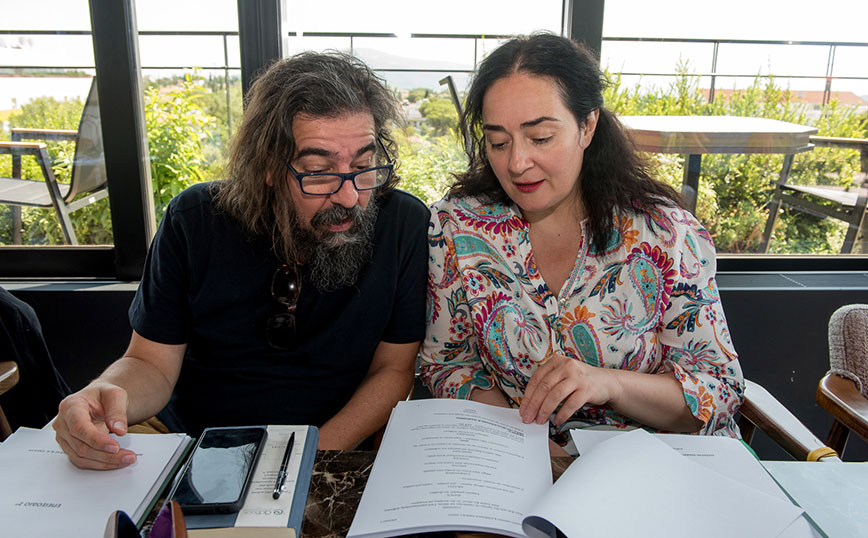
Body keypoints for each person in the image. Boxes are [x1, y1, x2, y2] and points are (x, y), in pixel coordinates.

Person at [54, 51, 429, 469]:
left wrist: (303, 460)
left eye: (364, 164)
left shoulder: (403, 224)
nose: (349, 196)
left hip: (329, 446)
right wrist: (106, 395)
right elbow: (150, 364)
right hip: (190, 441)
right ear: (268, 165)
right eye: (319, 171)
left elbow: (393, 371)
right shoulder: (194, 221)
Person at [420, 33, 744, 455]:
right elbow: (449, 365)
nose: (517, 162)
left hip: (655, 462)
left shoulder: (666, 233)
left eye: (540, 138)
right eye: (499, 142)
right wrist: (526, 444)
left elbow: (718, 390)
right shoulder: (457, 226)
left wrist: (610, 384)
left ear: (587, 126)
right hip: (516, 458)